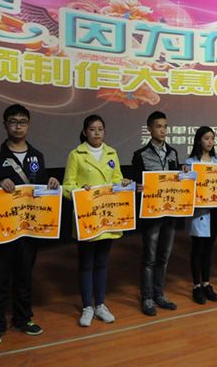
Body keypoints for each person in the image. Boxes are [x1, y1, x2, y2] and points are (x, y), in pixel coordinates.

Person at [0, 104, 60, 345]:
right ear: (5, 124)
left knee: (25, 274)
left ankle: (23, 318)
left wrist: (51, 183)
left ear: (28, 125)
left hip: (29, 228)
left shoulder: (37, 156)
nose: (18, 126)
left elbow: (40, 188)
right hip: (5, 229)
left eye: (22, 122)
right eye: (13, 121)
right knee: (0, 275)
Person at [63, 115, 132, 326]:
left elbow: (116, 179)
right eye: (92, 129)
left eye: (100, 129)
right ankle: (87, 307)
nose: (97, 133)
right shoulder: (76, 154)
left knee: (101, 262)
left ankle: (100, 305)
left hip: (108, 216)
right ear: (85, 132)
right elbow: (67, 186)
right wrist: (80, 191)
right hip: (87, 217)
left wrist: (123, 183)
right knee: (86, 264)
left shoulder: (112, 153)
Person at [132, 111, 180, 316]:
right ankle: (147, 297)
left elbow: (176, 180)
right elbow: (135, 184)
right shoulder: (140, 154)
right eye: (159, 126)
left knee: (164, 256)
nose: (163, 130)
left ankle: (160, 294)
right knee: (149, 257)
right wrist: (137, 187)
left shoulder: (173, 153)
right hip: (151, 213)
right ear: (150, 129)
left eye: (165, 126)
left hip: (170, 211)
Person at [184, 127, 217, 304]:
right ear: (199, 140)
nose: (210, 142)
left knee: (209, 249)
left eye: (212, 139)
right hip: (199, 213)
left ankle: (207, 283)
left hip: (215, 211)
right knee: (197, 249)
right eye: (206, 138)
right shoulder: (190, 162)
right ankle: (196, 285)